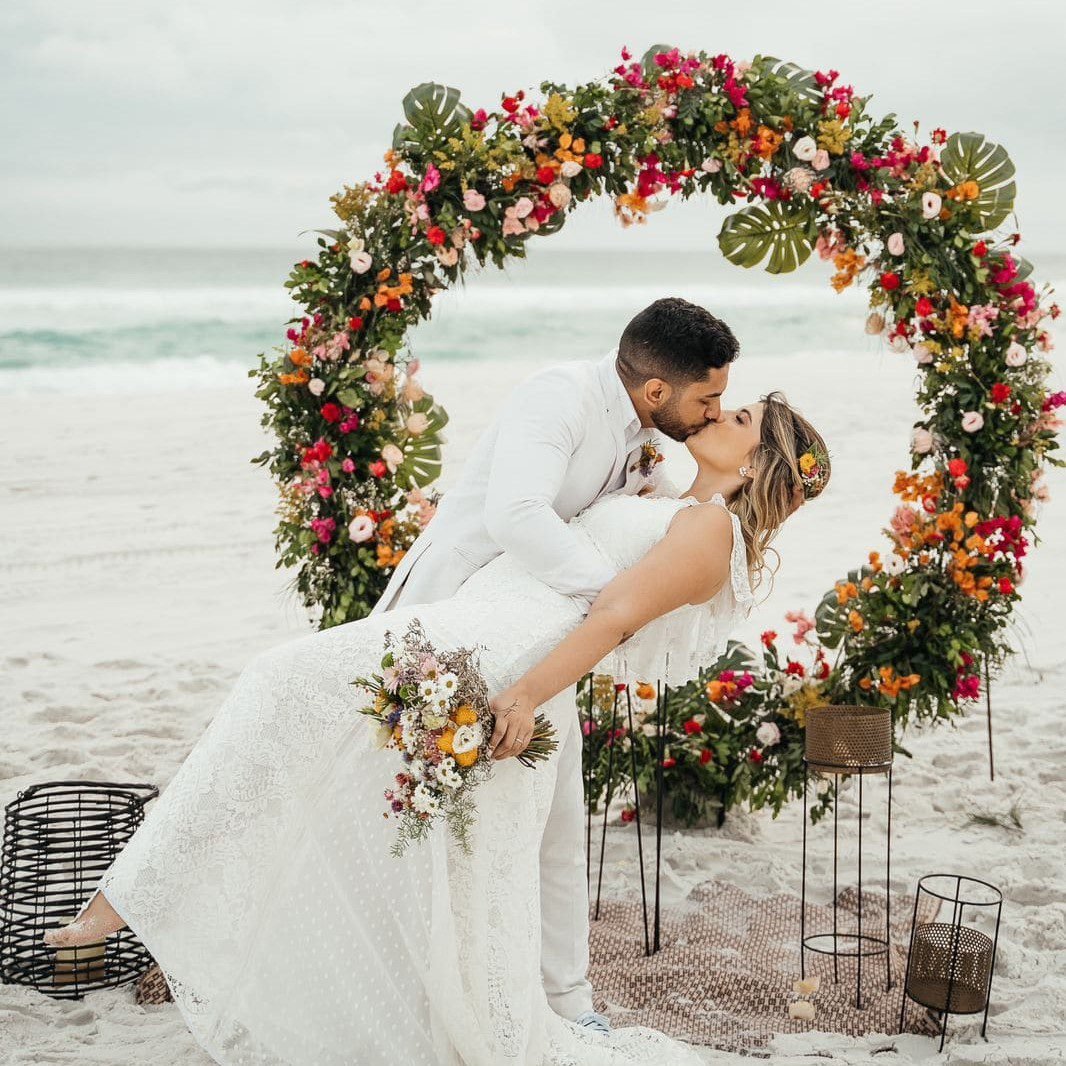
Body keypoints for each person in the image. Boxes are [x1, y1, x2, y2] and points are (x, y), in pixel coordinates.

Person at [44, 389, 829, 1066]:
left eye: (743, 417)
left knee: (279, 680)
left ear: (758, 466)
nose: (723, 412)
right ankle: (160, 897)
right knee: (348, 778)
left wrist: (521, 694)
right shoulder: (676, 503)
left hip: (493, 650)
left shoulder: (711, 532)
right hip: (467, 620)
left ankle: (132, 896)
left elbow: (614, 619)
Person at [372, 296, 740, 615]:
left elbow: (666, 512)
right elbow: (516, 514)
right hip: (449, 592)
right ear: (656, 391)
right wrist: (616, 596)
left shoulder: (645, 427)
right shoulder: (561, 396)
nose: (716, 413)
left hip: (521, 603)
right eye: (707, 399)